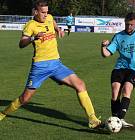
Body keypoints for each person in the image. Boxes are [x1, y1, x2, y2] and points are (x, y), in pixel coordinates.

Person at [0, 0, 101, 129]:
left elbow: (53, 23)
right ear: (35, 12)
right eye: (43, 13)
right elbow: (21, 44)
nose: (45, 15)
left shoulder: (50, 18)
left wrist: (58, 29)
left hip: (56, 64)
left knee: (80, 84)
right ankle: (3, 113)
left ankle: (92, 119)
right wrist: (33, 38)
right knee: (25, 99)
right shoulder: (30, 25)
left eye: (47, 12)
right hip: (40, 67)